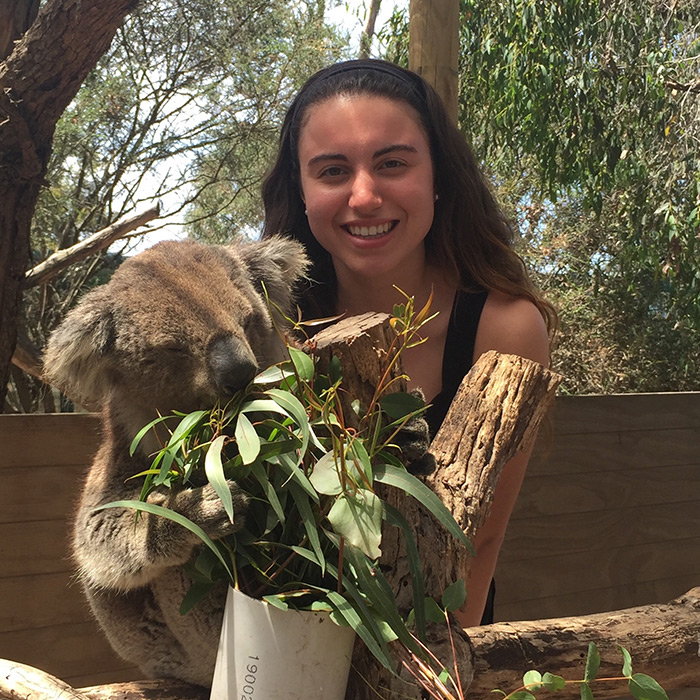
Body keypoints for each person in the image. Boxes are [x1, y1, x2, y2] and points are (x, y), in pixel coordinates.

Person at [260, 58, 555, 627]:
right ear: (299, 190)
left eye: (392, 163)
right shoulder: (270, 326)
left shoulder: (504, 330)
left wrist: (424, 678)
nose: (365, 195)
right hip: (286, 634)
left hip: (441, 640)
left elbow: (481, 540)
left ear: (439, 176)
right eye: (332, 171)